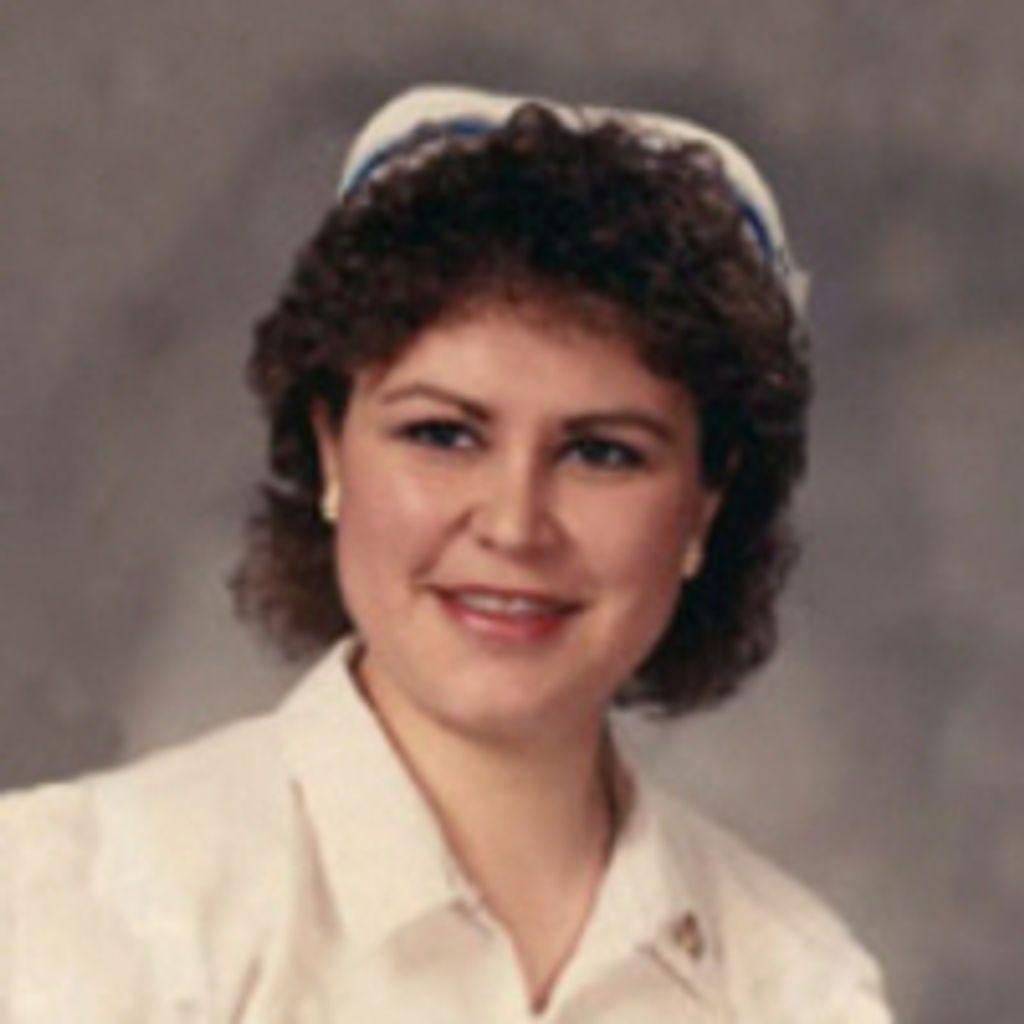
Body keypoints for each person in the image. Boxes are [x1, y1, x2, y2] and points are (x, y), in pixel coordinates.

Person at [0, 86, 893, 1022]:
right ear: (331, 452)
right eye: (442, 435)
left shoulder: (800, 985)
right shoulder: (71, 907)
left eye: (601, 453)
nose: (514, 525)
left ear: (705, 504)